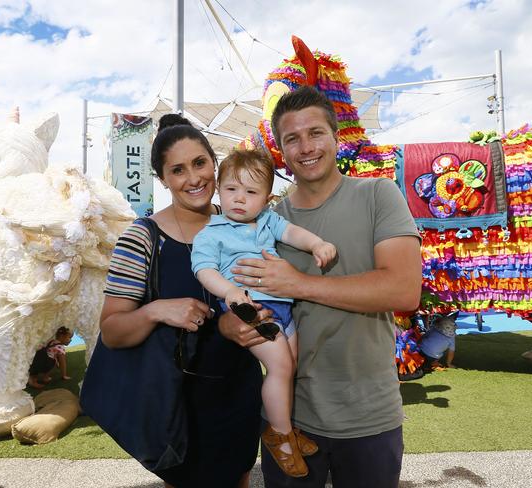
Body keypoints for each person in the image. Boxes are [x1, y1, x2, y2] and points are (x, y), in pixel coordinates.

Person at [222, 86, 422, 488]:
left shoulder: (377, 195)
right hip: (291, 417)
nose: (306, 147)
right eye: (292, 138)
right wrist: (229, 324)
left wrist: (300, 283)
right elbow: (234, 288)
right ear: (280, 149)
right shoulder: (267, 220)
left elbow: (403, 289)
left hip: (369, 415)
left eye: (315, 133)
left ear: (336, 136)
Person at [99, 114, 267, 488]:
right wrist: (158, 309)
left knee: (239, 475)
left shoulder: (243, 224)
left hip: (240, 392)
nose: (193, 179)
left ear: (214, 162)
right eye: (178, 170)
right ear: (164, 179)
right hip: (177, 403)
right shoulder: (142, 239)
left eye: (199, 163)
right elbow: (112, 331)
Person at [192, 149, 334, 477]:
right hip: (251, 307)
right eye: (231, 189)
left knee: (290, 366)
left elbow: (292, 234)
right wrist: (228, 291)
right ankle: (280, 438)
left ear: (266, 198)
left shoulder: (268, 220)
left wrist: (316, 244)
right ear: (218, 188)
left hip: (283, 306)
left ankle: (280, 426)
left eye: (251, 192)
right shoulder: (211, 233)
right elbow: (203, 269)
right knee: (280, 366)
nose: (239, 198)